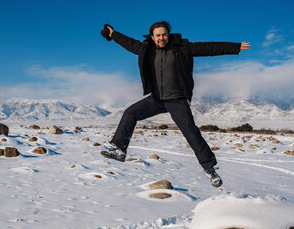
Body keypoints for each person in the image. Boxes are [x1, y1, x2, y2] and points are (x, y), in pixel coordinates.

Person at [100, 21, 250, 187]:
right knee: (130, 113)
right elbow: (129, 43)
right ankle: (120, 150)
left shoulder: (181, 48)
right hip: (156, 99)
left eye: (164, 34)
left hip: (177, 100)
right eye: (158, 35)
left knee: (191, 132)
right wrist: (112, 34)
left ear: (168, 35)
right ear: (152, 37)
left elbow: (208, 47)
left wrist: (235, 47)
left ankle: (209, 169)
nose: (161, 38)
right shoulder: (146, 49)